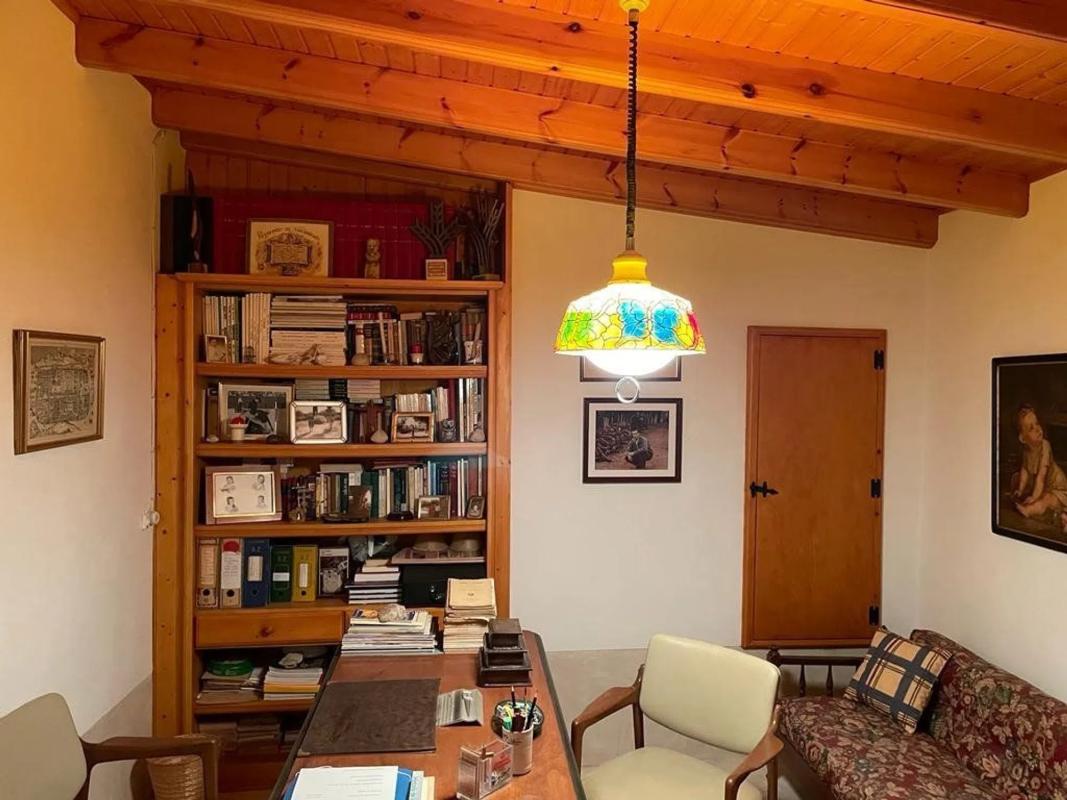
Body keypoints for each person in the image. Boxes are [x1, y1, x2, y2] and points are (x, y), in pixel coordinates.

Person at [1012, 404, 1067, 520]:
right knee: (1017, 478)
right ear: (1023, 438)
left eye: (1037, 423)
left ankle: (1029, 510)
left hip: (1058, 490)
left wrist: (1034, 497)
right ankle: (1030, 500)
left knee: (1046, 499)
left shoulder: (1045, 446)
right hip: (1043, 487)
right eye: (1031, 428)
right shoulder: (1026, 451)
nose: (1037, 429)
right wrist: (1020, 489)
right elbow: (1025, 470)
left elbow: (1041, 477)